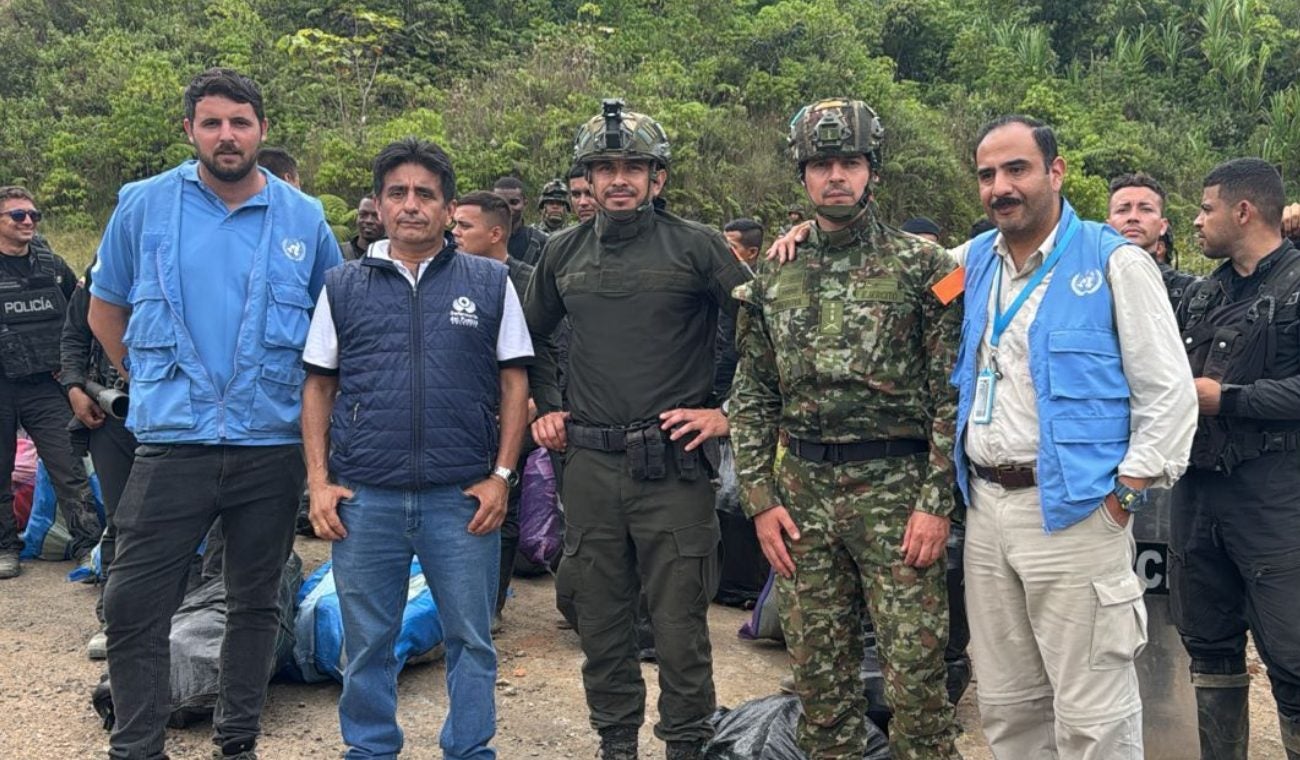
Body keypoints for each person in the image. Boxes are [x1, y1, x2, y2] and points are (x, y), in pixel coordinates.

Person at [87, 67, 342, 760]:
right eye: (212, 122)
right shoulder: (142, 206)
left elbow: (331, 327)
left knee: (254, 603)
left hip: (270, 445)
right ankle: (137, 746)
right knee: (134, 604)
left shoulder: (304, 217)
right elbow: (105, 307)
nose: (226, 135)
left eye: (240, 122)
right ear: (189, 130)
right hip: (174, 443)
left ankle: (238, 743)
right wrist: (148, 379)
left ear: (261, 128)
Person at [950, 115, 1196, 760]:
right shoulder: (973, 261)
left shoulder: (1114, 261)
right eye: (987, 174)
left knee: (1094, 714)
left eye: (1017, 169)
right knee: (1008, 707)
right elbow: (886, 278)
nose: (1001, 186)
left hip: (1078, 512)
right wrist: (815, 232)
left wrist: (1128, 493)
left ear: (1055, 172)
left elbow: (1167, 391)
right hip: (985, 510)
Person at [728, 97, 961, 760]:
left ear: (873, 171)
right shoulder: (776, 269)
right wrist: (760, 498)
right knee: (820, 686)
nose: (836, 175)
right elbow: (751, 395)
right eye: (821, 163)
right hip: (801, 495)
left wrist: (935, 504)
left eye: (850, 161)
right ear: (802, 176)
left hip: (896, 491)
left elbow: (954, 393)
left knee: (917, 686)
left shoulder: (928, 266)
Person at [523, 98, 750, 760]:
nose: (618, 179)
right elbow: (527, 337)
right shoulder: (563, 253)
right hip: (590, 464)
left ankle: (686, 744)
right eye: (604, 167)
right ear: (586, 180)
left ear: (659, 178)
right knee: (601, 622)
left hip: (674, 470)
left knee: (681, 627)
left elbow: (759, 328)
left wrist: (725, 409)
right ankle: (615, 744)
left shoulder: (697, 246)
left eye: (634, 167)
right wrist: (549, 401)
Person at [302, 138, 529, 760]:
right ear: (378, 204)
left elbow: (515, 382)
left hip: (461, 497)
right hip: (365, 497)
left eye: (424, 194)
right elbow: (318, 384)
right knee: (367, 639)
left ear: (447, 207)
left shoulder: (490, 282)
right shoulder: (343, 286)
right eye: (397, 193)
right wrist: (319, 483)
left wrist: (502, 475)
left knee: (471, 639)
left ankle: (470, 749)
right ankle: (370, 749)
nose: (410, 205)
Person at [1171, 158, 1300, 760]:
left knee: (1293, 654)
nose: (1197, 221)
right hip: (1198, 496)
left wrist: (1228, 398)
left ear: (1243, 211)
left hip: (1275, 496)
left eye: (1206, 208)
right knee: (1209, 645)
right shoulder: (1205, 293)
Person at [0, 186, 101, 579]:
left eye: (33, 215)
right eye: (17, 216)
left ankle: (89, 545)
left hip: (45, 384)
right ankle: (6, 547)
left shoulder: (51, 265)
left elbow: (78, 317)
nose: (28, 221)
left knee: (69, 467)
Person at [452, 190, 542, 630]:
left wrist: (539, 399)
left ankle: (491, 605)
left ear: (495, 233)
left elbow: (551, 341)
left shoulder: (528, 280)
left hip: (516, 409)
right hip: (465, 409)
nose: (455, 233)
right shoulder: (453, 276)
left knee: (504, 499)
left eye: (464, 226)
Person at [61, 260, 135, 659]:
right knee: (123, 518)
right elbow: (73, 335)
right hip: (112, 415)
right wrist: (75, 387)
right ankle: (116, 620)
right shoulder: (103, 269)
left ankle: (194, 614)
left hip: (180, 417)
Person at [1107, 172, 1198, 309]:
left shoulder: (1188, 291)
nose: (1133, 217)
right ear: (1108, 226)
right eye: (1122, 210)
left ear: (1162, 226)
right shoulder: (1090, 286)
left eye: (1146, 209)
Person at [493, 176, 547, 265]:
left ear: (525, 203)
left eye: (514, 202)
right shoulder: (481, 239)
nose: (507, 208)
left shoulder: (541, 242)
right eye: (500, 203)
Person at [344, 195, 384, 261]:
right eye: (363, 214)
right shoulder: (340, 253)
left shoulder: (394, 257)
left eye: (375, 216)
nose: (369, 221)